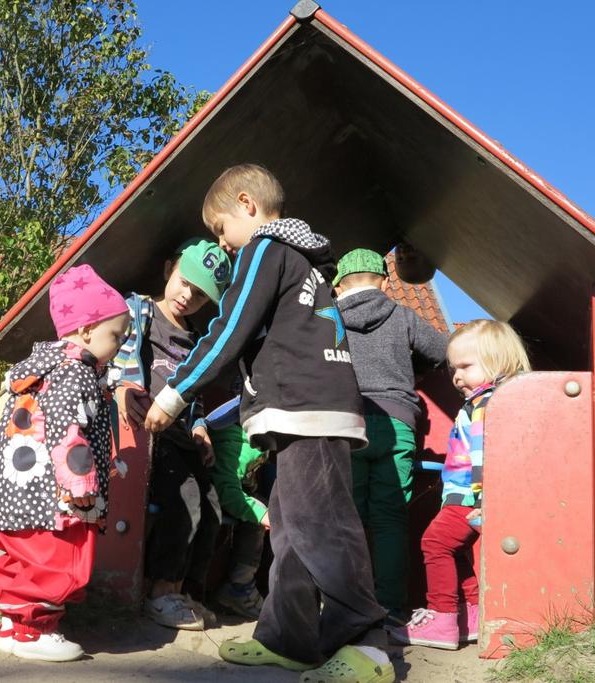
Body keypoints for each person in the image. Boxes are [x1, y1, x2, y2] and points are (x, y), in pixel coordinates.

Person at [144, 164, 394, 683]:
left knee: (323, 527)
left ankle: (367, 643)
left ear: (247, 205)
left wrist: (174, 391)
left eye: (220, 230)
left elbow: (230, 327)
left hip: (308, 409)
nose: (224, 245)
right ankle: (289, 640)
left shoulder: (264, 250)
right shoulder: (304, 262)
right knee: (292, 529)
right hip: (307, 409)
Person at [0, 264, 130, 662]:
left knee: (26, 560)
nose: (120, 344)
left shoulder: (41, 371)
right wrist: (81, 484)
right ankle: (34, 630)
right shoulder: (76, 372)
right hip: (56, 499)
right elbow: (68, 429)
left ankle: (13, 627)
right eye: (116, 335)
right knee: (59, 563)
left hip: (17, 495)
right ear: (86, 331)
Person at [111, 239, 232, 630]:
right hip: (149, 433)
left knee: (213, 510)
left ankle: (186, 592)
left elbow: (193, 393)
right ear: (168, 270)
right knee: (186, 501)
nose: (187, 296)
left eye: (199, 295)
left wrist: (199, 427)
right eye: (184, 282)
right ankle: (160, 592)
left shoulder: (197, 339)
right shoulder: (141, 310)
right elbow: (122, 355)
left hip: (182, 435)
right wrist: (126, 387)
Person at [387, 319, 530, 650]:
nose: (457, 377)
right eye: (453, 369)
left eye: (466, 366)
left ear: (499, 361)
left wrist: (482, 500)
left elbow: (482, 456)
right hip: (466, 495)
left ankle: (442, 615)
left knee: (434, 544)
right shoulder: (490, 401)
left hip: (468, 495)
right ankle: (473, 612)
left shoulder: (483, 405)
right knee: (456, 550)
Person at [333, 248, 448, 625]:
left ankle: (343, 603)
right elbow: (444, 351)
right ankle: (390, 607)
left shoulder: (330, 318)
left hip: (348, 425)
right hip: (397, 423)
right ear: (384, 282)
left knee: (345, 515)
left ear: (337, 287)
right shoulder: (403, 315)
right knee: (389, 518)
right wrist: (410, 371)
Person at [208, 404, 269, 620]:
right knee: (256, 516)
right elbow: (227, 491)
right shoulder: (230, 441)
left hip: (240, 493)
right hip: (217, 497)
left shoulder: (259, 438)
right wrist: (260, 514)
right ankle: (239, 586)